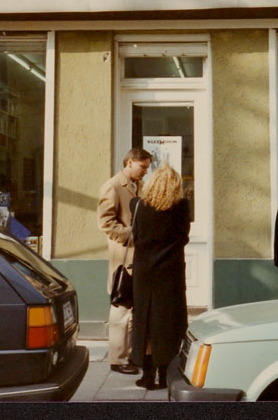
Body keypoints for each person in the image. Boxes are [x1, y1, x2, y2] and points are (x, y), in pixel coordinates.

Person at [129, 162, 191, 390]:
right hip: (170, 273)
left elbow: (135, 236)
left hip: (144, 273)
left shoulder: (136, 205)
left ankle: (147, 375)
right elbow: (184, 238)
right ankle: (165, 374)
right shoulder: (182, 207)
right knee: (167, 323)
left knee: (144, 322)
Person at [97, 147, 152, 375]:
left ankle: (130, 356)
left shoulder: (139, 185)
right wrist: (132, 233)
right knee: (121, 308)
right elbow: (105, 223)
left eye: (147, 168)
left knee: (134, 309)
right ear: (129, 162)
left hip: (138, 257)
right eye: (142, 167)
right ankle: (117, 360)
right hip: (123, 257)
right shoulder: (112, 186)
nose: (145, 172)